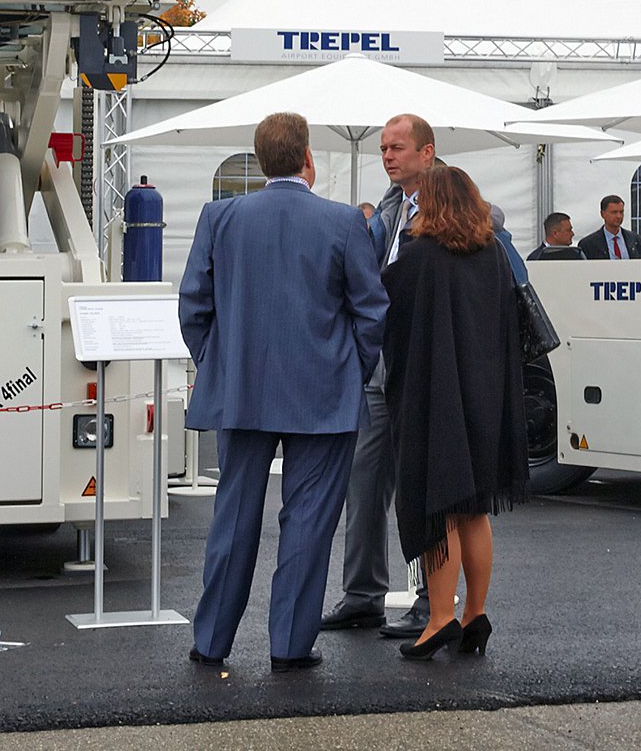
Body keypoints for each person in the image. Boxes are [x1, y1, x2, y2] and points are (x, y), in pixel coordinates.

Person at [179, 111, 387, 670]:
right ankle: (291, 645)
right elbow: (371, 312)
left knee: (233, 517)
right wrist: (351, 371)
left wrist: (219, 364)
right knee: (309, 522)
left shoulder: (219, 217)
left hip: (241, 392)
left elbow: (194, 306)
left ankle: (212, 640)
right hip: (324, 392)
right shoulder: (344, 222)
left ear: (259, 158)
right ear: (307, 158)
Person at [326, 114, 530, 639]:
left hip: (434, 368)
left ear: (427, 152)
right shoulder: (388, 211)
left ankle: (429, 605)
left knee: (434, 485)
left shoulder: (473, 216)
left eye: (397, 147)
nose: (388, 156)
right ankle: (363, 594)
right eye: (383, 148)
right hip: (383, 366)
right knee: (367, 482)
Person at [382, 163, 529, 660]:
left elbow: (391, 320)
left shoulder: (420, 255)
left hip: (434, 394)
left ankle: (441, 615)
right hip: (487, 395)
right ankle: (476, 614)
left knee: (437, 504)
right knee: (474, 509)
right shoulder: (493, 254)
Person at [579, 195, 641, 261]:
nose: (619, 216)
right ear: (603, 214)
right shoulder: (588, 244)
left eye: (621, 212)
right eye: (614, 212)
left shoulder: (634, 239)